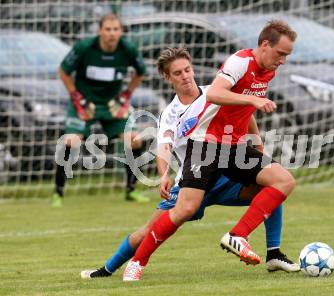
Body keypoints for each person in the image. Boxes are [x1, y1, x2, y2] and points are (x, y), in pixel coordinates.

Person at [80, 47, 299, 279]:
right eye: (177, 73)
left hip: (224, 175)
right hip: (192, 181)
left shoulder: (214, 92)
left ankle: (273, 253)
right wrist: (164, 174)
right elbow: (164, 146)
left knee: (272, 187)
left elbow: (246, 113)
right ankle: (108, 269)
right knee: (148, 231)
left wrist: (257, 146)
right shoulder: (171, 113)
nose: (185, 76)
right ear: (167, 77)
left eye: (187, 69)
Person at [51, 13, 150, 207]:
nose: (112, 33)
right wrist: (76, 97)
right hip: (85, 101)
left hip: (112, 103)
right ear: (100, 31)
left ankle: (131, 190)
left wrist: (126, 95)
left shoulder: (127, 49)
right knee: (71, 141)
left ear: (121, 31)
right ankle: (58, 193)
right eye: (108, 29)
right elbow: (63, 71)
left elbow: (141, 72)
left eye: (116, 29)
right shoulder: (84, 47)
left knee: (135, 139)